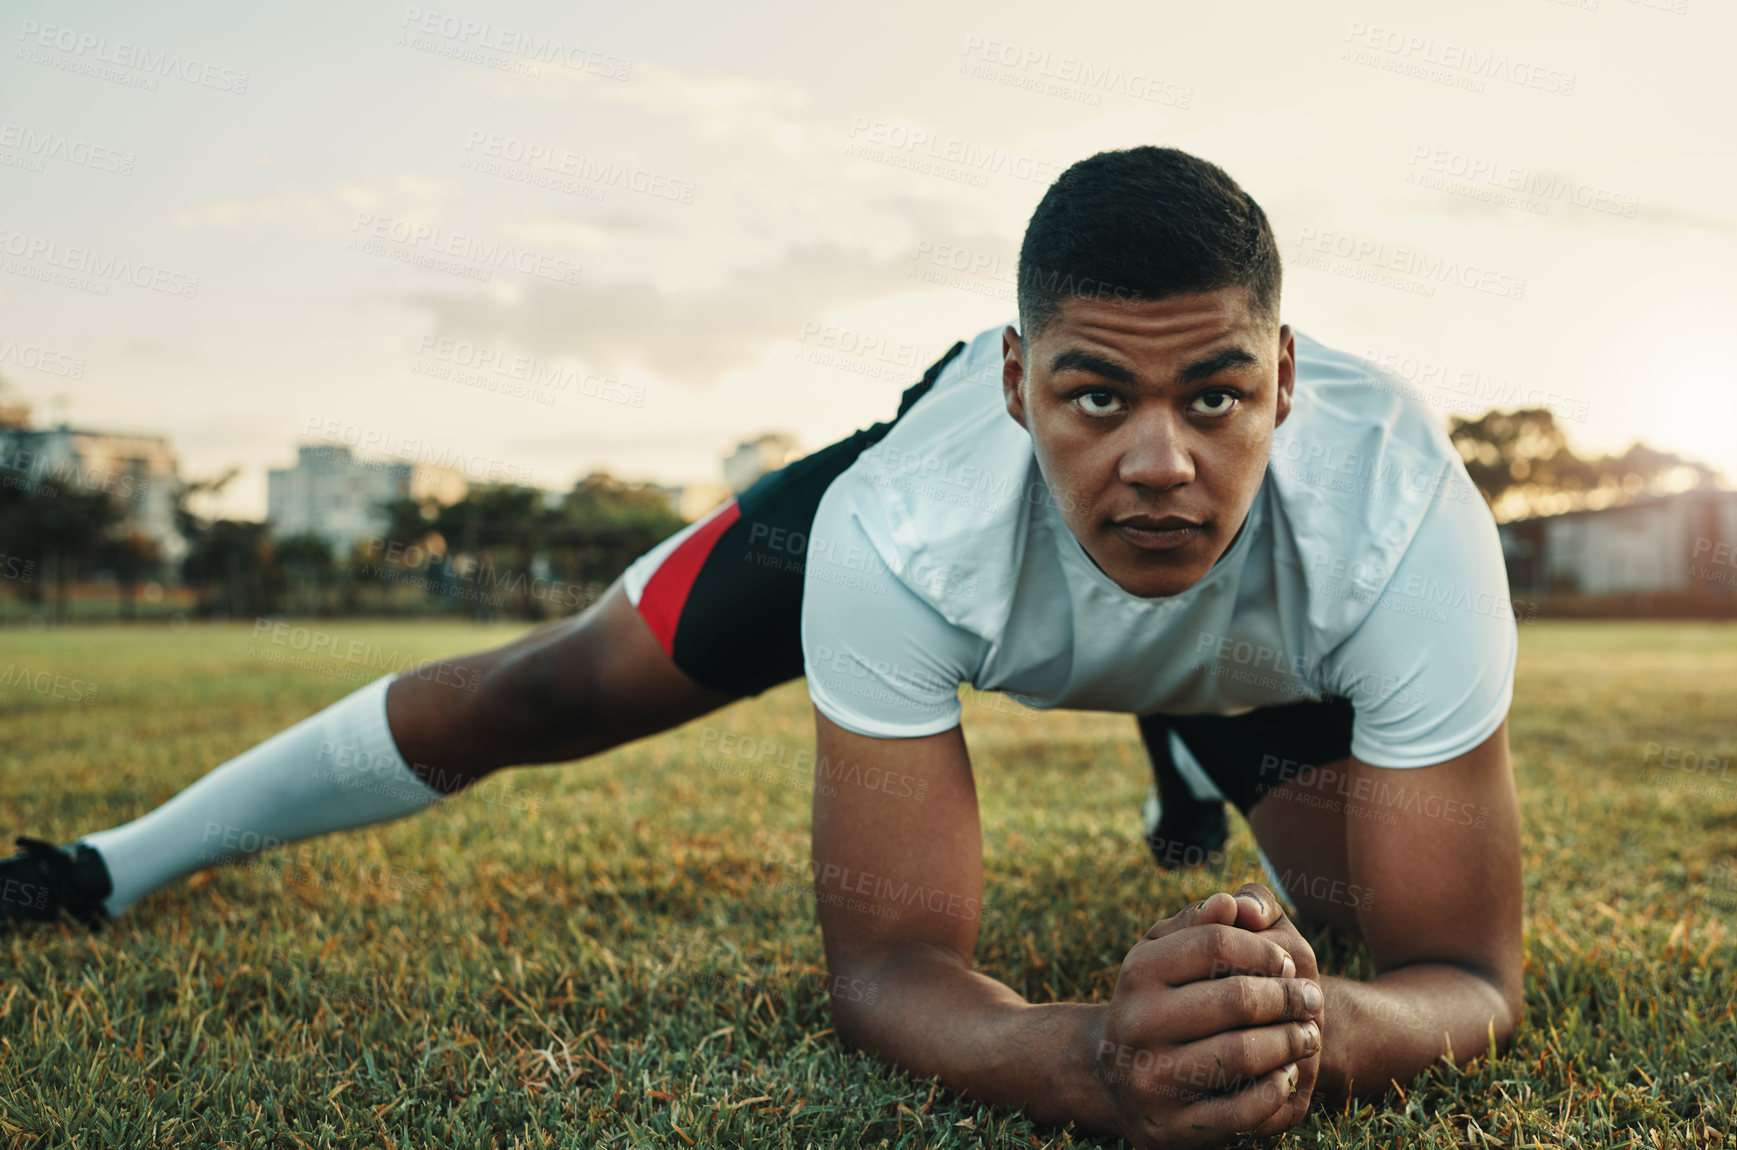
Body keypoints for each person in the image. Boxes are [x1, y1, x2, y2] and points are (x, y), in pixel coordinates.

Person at [2, 146, 1522, 1148]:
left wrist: (1317, 1030)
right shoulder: (894, 530)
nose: (1154, 461)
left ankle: (1184, 735)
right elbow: (887, 966)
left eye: (1212, 396)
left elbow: (1463, 973)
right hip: (986, 560)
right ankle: (101, 862)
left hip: (1269, 665)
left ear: (1285, 377)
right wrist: (1084, 1059)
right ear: (1010, 383)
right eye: (1090, 397)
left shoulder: (1400, 519)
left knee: (1343, 915)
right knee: (552, 682)